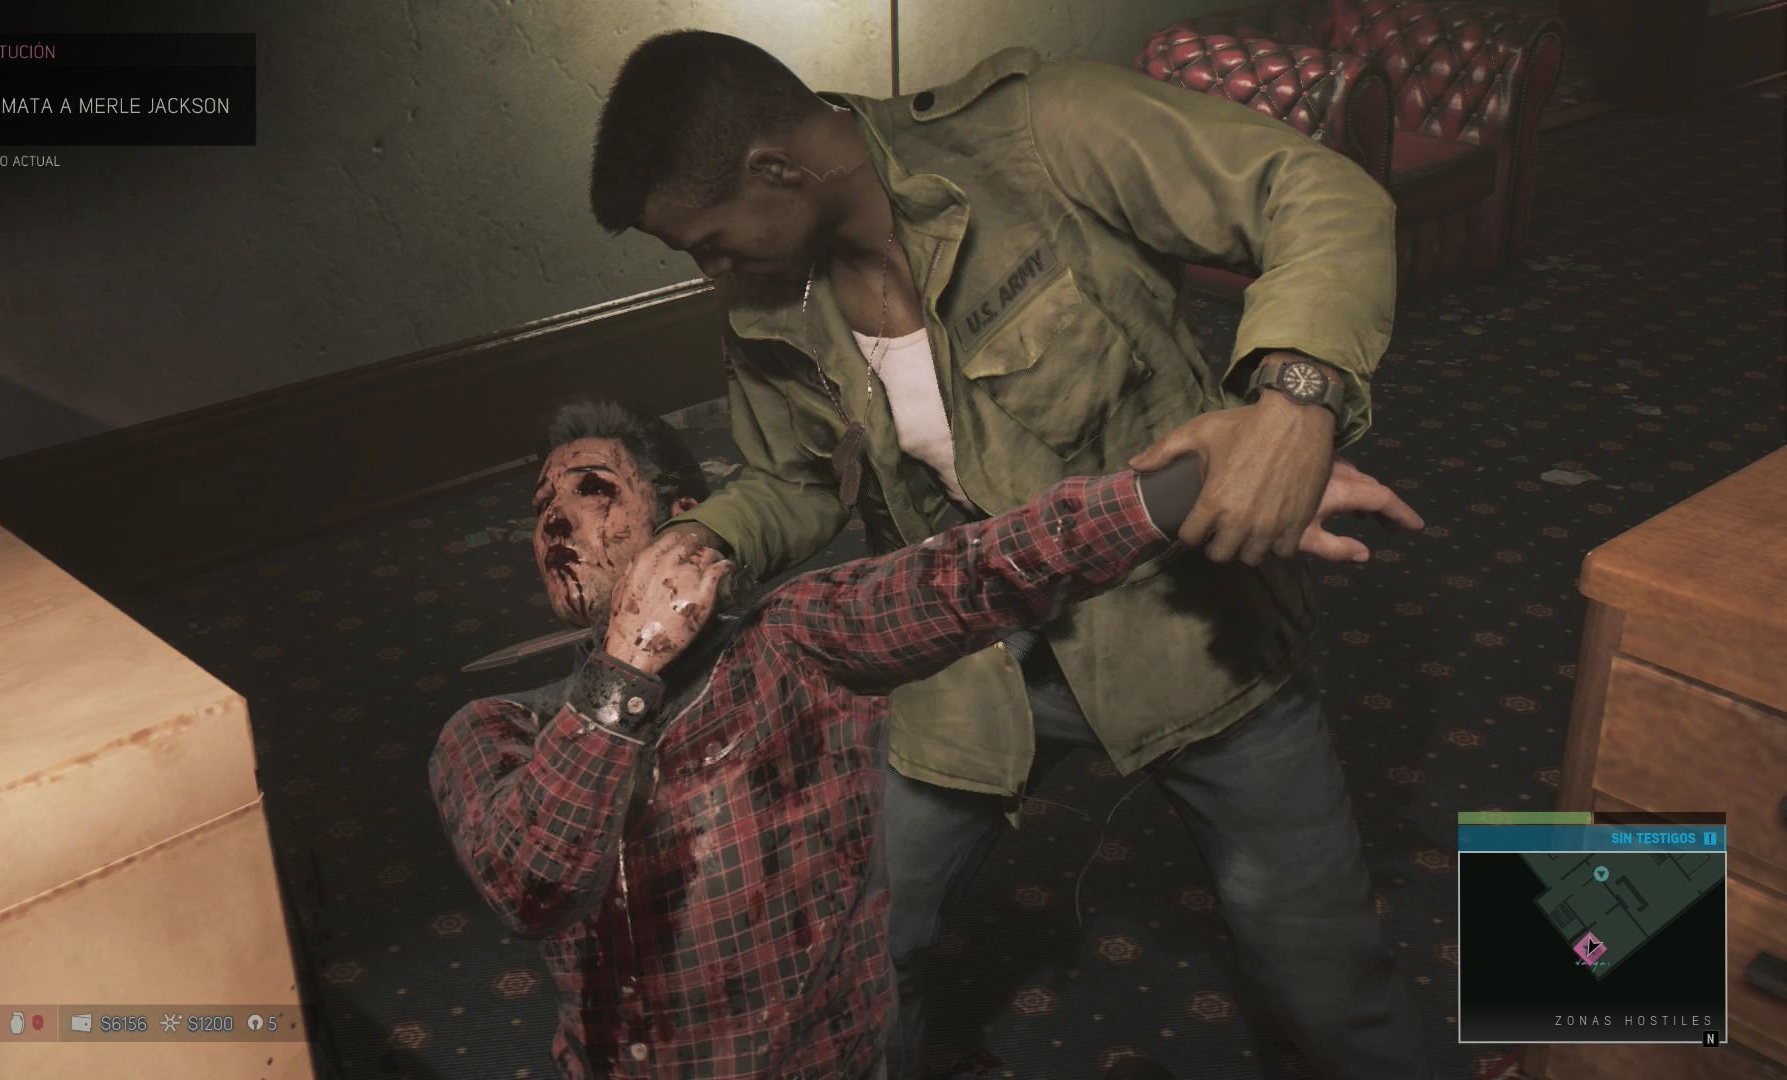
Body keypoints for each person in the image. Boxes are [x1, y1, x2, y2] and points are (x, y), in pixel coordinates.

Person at [589, 31, 1429, 1078]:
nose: (709, 271)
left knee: (1322, 979)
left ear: (778, 169)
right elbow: (795, 482)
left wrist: (1295, 403)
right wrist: (702, 536)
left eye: (712, 243)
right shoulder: (769, 298)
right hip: (965, 653)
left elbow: (1321, 193)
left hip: (1186, 626)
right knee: (850, 940)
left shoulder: (1045, 133)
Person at [429, 399, 1421, 1079]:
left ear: (684, 523)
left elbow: (971, 575)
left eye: (591, 491)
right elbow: (533, 884)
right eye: (541, 511)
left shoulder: (790, 644)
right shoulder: (495, 729)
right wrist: (627, 667)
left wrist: (1192, 490)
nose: (556, 524)